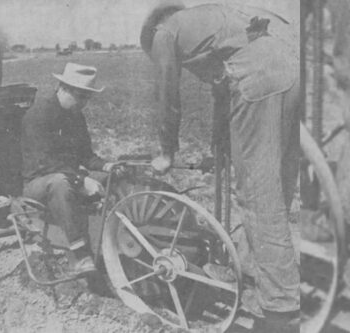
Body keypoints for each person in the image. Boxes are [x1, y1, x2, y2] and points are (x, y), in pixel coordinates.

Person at [141, 2, 300, 331]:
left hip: (257, 79)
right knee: (277, 191)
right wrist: (219, 143)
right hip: (289, 67)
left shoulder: (163, 33)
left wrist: (167, 152)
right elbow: (221, 86)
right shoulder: (209, 19)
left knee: (257, 197)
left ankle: (282, 310)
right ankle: (258, 284)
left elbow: (166, 95)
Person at [21, 63, 120, 275]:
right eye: (81, 96)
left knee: (111, 177)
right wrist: (81, 181)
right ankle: (79, 254)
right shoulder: (38, 115)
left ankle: (115, 235)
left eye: (87, 98)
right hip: (38, 183)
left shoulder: (75, 115)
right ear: (63, 88)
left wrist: (105, 166)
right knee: (59, 183)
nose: (84, 103)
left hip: (67, 175)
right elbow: (44, 163)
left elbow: (86, 155)